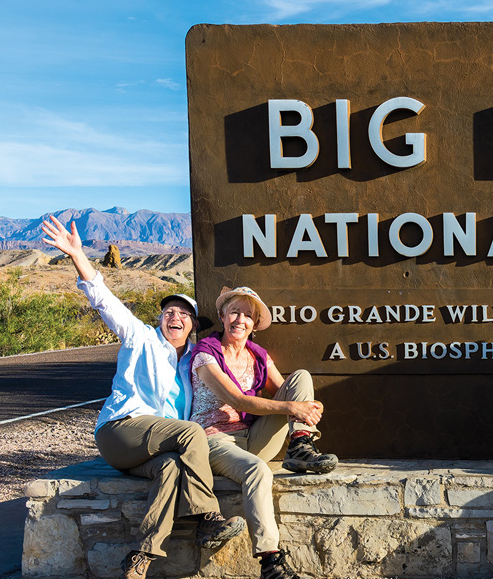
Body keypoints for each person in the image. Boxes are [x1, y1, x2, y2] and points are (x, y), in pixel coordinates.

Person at [41, 216, 243, 579]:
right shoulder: (141, 338)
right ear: (160, 319)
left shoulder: (192, 364)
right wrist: (77, 255)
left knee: (171, 468)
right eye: (169, 312)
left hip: (146, 452)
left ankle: (141, 558)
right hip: (120, 431)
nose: (175, 317)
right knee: (188, 434)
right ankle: (207, 519)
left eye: (184, 314)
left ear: (194, 326)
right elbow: (102, 298)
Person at [187, 286, 338, 579]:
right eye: (235, 312)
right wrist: (294, 407)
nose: (240, 320)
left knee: (301, 378)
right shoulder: (205, 354)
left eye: (248, 315)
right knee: (258, 470)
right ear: (222, 315)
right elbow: (238, 401)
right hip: (214, 440)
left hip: (252, 437)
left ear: (255, 324)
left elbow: (287, 392)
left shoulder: (258, 355)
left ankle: (300, 446)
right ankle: (270, 561)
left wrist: (305, 409)